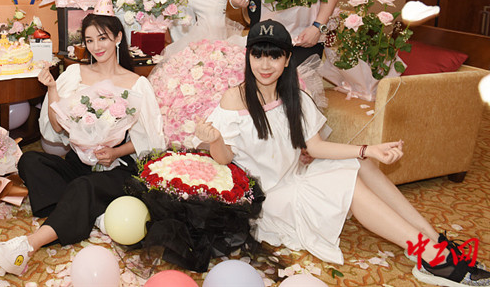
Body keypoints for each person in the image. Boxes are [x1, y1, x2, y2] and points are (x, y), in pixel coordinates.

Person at [194, 20, 488, 287]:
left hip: (296, 177)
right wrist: (216, 139)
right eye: (257, 55)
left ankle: (433, 238)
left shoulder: (295, 97)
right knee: (350, 186)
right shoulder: (235, 98)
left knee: (361, 164)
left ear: (287, 59)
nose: (265, 64)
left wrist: (369, 150)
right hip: (270, 197)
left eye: (274, 56)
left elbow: (315, 147)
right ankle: (433, 257)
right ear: (248, 57)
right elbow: (224, 159)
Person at [0, 11, 165, 277]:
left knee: (83, 186)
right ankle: (90, 211)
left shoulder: (136, 83)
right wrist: (52, 89)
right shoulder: (74, 73)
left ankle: (28, 245)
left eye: (102, 38)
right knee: (30, 160)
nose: (96, 47)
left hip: (117, 167)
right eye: (89, 40)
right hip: (79, 162)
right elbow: (57, 129)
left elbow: (149, 140)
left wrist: (115, 151)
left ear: (118, 37)